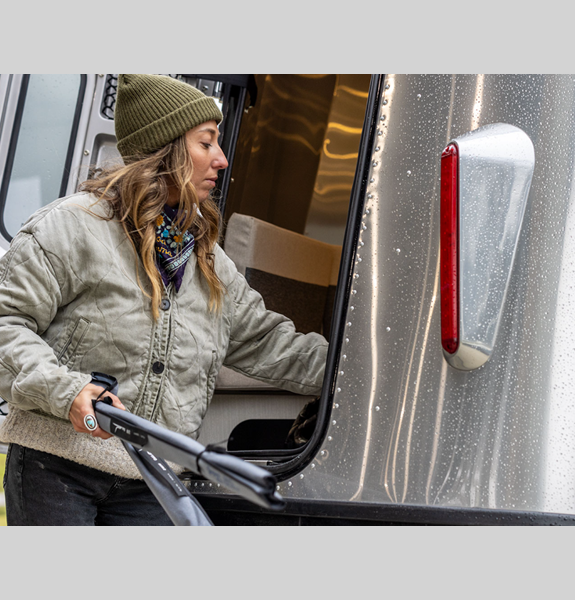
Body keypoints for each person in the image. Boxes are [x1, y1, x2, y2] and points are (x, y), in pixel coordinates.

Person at [0, 74, 329, 525]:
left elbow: (269, 343)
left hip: (153, 479)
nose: (222, 159)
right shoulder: (71, 227)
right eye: (206, 143)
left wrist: (358, 377)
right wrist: (67, 390)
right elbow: (6, 324)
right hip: (57, 468)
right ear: (166, 151)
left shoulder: (208, 260)